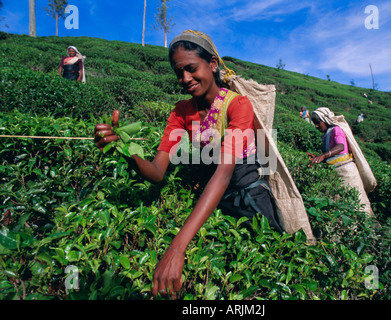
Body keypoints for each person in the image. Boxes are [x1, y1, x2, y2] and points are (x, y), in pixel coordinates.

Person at [94, 30, 283, 297]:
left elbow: (224, 172)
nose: (185, 79)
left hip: (248, 198)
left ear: (213, 65)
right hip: (214, 202)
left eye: (192, 69)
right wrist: (123, 148)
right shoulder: (181, 111)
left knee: (265, 275)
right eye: (178, 72)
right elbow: (158, 171)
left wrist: (176, 248)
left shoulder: (237, 105)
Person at [308, 107, 374, 216]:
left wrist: (323, 156)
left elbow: (340, 147)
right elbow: (332, 156)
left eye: (318, 123)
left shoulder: (336, 129)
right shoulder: (326, 135)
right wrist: (317, 157)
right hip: (336, 172)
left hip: (347, 172)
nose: (316, 126)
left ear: (325, 119)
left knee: (356, 205)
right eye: (314, 123)